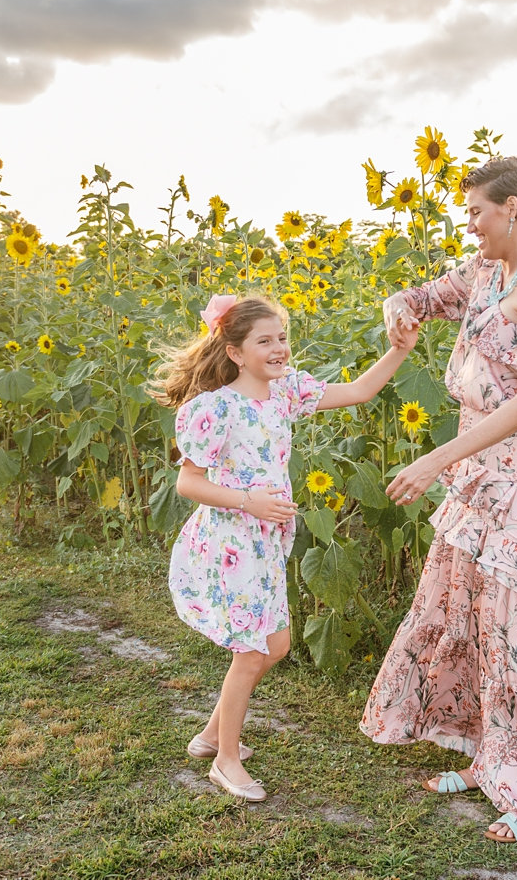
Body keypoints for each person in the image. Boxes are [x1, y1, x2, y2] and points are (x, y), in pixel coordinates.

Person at [359, 156, 517, 842]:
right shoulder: (483, 272)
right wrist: (398, 313)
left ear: (513, 209)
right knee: (469, 610)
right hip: (477, 470)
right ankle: (491, 759)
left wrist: (435, 458)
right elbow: (420, 297)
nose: (469, 224)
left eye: (476, 212)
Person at [153, 293, 417, 802]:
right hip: (233, 540)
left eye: (281, 338)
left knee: (272, 646)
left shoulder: (286, 392)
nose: (278, 349)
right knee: (255, 651)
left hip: (268, 539)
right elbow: (188, 483)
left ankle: (211, 737)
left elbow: (361, 391)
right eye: (264, 341)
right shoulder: (215, 408)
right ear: (234, 352)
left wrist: (399, 350)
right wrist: (248, 500)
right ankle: (226, 762)